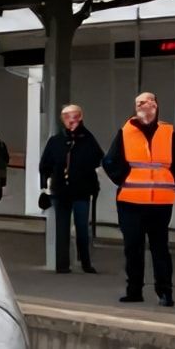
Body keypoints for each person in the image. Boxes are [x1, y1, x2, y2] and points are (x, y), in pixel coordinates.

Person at [102, 91, 175, 307]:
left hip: (160, 203)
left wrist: (167, 182)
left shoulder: (168, 132)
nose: (143, 106)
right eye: (139, 103)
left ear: (155, 106)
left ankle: (165, 292)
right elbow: (110, 161)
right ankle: (134, 290)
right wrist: (124, 179)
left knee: (160, 248)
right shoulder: (125, 132)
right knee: (133, 247)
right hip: (131, 201)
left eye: (147, 102)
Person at [37, 103, 101, 274]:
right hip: (61, 191)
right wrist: (45, 186)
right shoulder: (56, 141)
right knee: (62, 228)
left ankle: (85, 262)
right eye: (66, 117)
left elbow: (98, 158)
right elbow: (44, 165)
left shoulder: (88, 139)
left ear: (80, 117)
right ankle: (62, 264)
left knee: (82, 228)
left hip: (82, 190)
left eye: (74, 116)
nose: (70, 120)